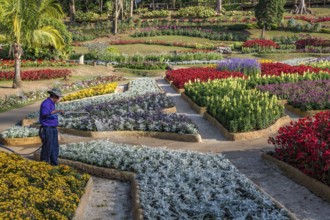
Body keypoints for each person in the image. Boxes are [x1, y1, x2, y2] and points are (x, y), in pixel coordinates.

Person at [39, 88, 64, 166]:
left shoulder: (52, 103)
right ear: (55, 96)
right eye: (58, 97)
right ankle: (44, 165)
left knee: (54, 147)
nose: (59, 99)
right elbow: (45, 113)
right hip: (47, 129)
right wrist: (58, 111)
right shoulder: (46, 103)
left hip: (52, 128)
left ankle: (54, 164)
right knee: (47, 148)